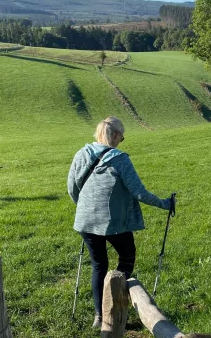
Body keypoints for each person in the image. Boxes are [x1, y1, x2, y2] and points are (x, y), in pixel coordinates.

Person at [67, 116, 172, 328]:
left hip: (85, 221)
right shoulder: (120, 158)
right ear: (115, 135)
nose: (121, 140)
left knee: (98, 265)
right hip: (112, 223)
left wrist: (85, 208)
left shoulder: (81, 153)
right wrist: (165, 204)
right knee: (127, 255)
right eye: (122, 137)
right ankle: (115, 307)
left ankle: (100, 315)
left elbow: (72, 188)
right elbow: (139, 192)